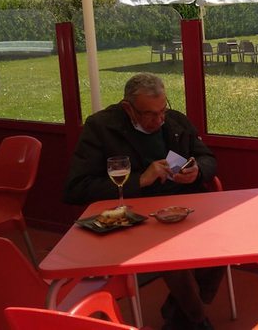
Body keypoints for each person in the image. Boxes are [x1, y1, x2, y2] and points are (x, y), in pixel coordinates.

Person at [65, 72, 220, 330]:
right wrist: (140, 180)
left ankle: (180, 312)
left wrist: (198, 171)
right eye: (150, 114)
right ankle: (195, 320)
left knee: (220, 247)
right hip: (133, 216)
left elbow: (207, 158)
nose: (159, 120)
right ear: (128, 107)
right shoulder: (101, 128)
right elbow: (76, 188)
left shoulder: (175, 121)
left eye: (163, 110)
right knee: (173, 255)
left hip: (180, 209)